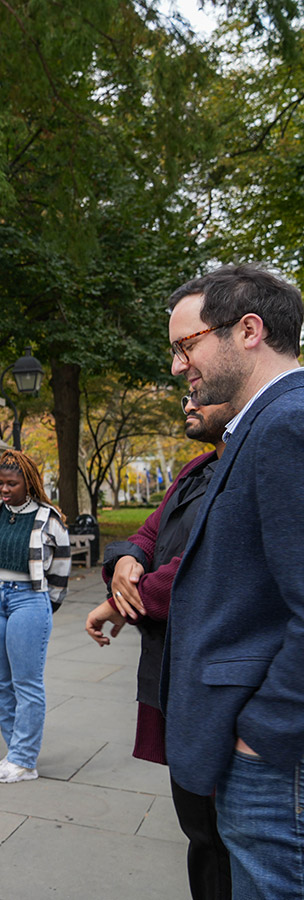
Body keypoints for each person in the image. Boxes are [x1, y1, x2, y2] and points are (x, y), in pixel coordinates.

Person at [162, 264, 304, 898]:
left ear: (248, 330)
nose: (177, 367)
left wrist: (262, 737)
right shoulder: (262, 424)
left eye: (186, 346)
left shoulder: (286, 425)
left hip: (275, 769)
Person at [85, 393, 233, 900]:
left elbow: (198, 569)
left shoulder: (246, 463)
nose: (186, 396)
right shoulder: (195, 468)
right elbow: (146, 535)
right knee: (201, 834)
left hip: (216, 685)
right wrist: (125, 562)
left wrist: (118, 602)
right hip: (176, 678)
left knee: (223, 840)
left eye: (197, 387)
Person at [0, 449, 70, 784]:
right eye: (0, 483)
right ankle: (15, 752)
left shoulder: (48, 517)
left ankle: (24, 759)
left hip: (28, 600)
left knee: (26, 682)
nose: (4, 489)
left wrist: (44, 606)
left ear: (28, 483)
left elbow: (61, 567)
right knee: (0, 682)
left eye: (11, 483)